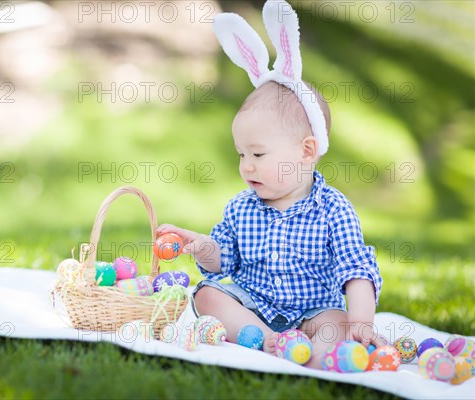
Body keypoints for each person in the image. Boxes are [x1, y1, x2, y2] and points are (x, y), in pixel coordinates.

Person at [157, 81, 383, 369]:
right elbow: (223, 260)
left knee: (337, 324)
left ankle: (313, 354)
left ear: (306, 151)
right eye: (241, 154)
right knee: (206, 295)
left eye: (258, 154)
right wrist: (203, 248)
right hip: (255, 307)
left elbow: (356, 269)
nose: (247, 166)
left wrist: (361, 322)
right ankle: (266, 339)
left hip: (312, 313)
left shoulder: (333, 209)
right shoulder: (241, 206)